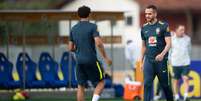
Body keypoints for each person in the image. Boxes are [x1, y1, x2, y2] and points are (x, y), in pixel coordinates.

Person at [68, 5, 112, 101]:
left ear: (78, 15)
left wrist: (79, 50)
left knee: (80, 86)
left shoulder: (73, 29)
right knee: (101, 82)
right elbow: (99, 43)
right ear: (89, 14)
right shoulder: (93, 26)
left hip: (79, 61)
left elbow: (70, 48)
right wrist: (105, 57)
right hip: (91, 60)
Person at [139, 5, 174, 101]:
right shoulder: (144, 28)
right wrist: (141, 61)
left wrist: (162, 55)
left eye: (149, 14)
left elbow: (169, 44)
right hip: (149, 61)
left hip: (161, 62)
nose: (147, 16)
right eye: (146, 14)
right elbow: (143, 46)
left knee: (165, 86)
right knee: (147, 84)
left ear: (155, 14)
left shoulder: (164, 26)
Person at [170, 25, 191, 101]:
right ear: (176, 30)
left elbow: (189, 50)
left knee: (186, 78)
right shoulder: (172, 39)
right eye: (181, 30)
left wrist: (188, 58)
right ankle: (176, 96)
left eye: (183, 30)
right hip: (175, 63)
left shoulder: (187, 39)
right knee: (175, 80)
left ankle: (186, 96)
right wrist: (170, 61)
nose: (183, 31)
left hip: (185, 62)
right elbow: (169, 51)